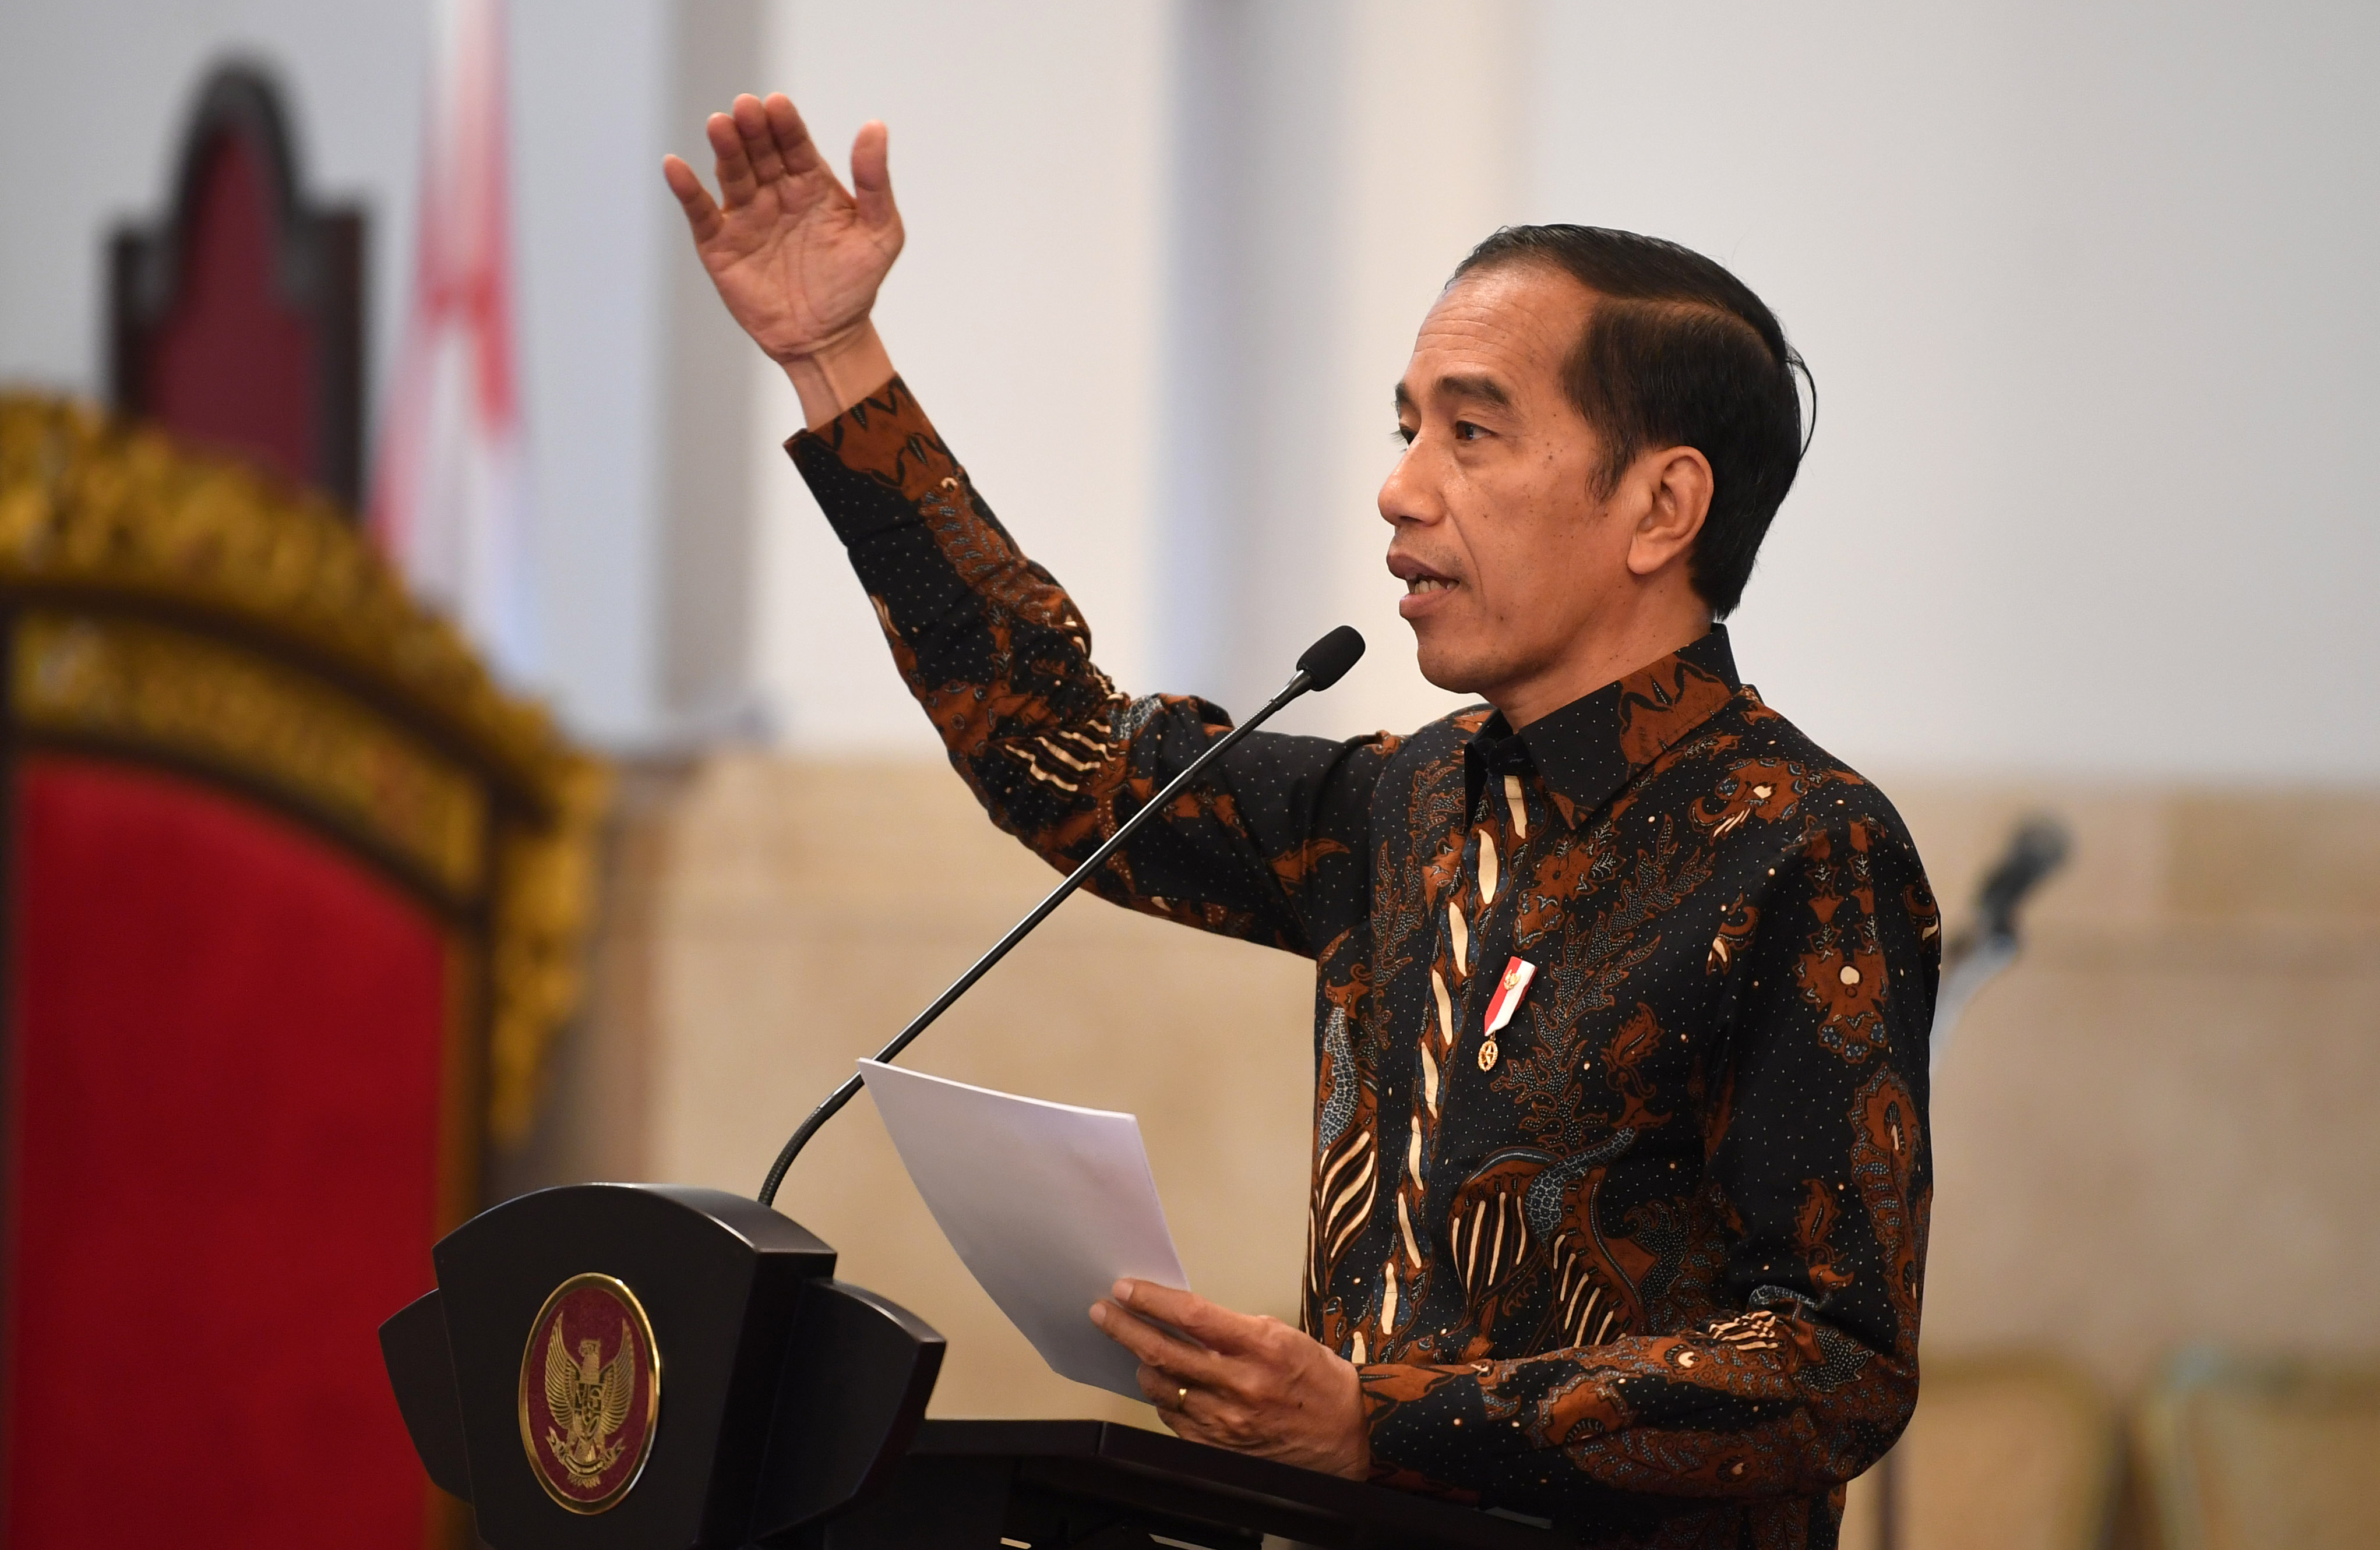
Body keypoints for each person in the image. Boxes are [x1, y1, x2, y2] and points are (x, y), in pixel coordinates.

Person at [667, 93, 1937, 1549]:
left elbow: (1833, 1362)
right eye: (1407, 428)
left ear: (1662, 507)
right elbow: (1058, 751)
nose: (1399, 489)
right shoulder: (1407, 807)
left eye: (1473, 432)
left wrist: (1379, 1423)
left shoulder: (1804, 846)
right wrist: (835, 360)